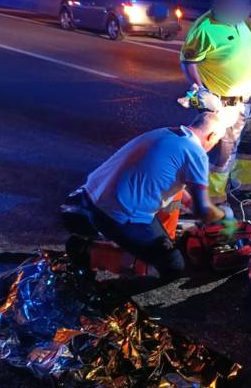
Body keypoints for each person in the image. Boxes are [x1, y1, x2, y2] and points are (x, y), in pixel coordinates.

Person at [66, 110, 237, 279]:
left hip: (90, 197)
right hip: (117, 215)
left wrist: (189, 202)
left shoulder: (166, 132)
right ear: (212, 135)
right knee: (172, 267)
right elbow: (203, 211)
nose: (214, 145)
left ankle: (125, 245)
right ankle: (88, 252)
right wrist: (226, 217)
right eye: (216, 141)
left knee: (166, 215)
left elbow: (166, 178)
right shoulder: (196, 152)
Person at [180, 0, 251, 203]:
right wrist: (200, 89)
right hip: (226, 105)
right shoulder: (205, 28)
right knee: (223, 155)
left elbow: (245, 52)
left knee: (250, 149)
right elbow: (188, 61)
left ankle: (242, 190)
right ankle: (213, 198)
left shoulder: (240, 23)